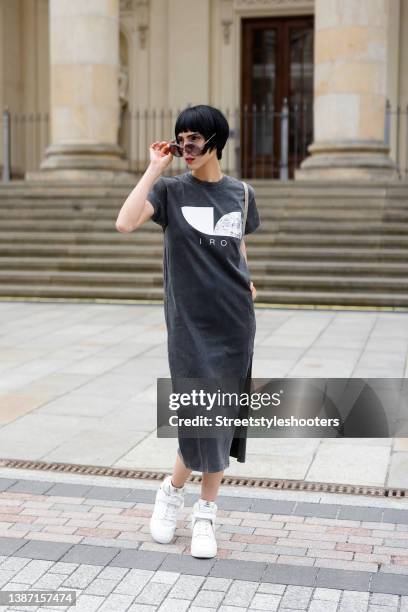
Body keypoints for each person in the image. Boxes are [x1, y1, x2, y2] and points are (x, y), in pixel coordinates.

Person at [115, 104, 260, 559]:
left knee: (217, 415)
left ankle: (204, 514)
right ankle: (173, 491)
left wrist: (249, 282)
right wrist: (154, 168)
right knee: (201, 413)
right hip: (189, 323)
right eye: (182, 139)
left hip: (234, 322)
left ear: (216, 141)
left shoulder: (241, 192)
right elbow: (125, 223)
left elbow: (237, 245)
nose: (187, 147)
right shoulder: (171, 191)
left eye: (195, 139)